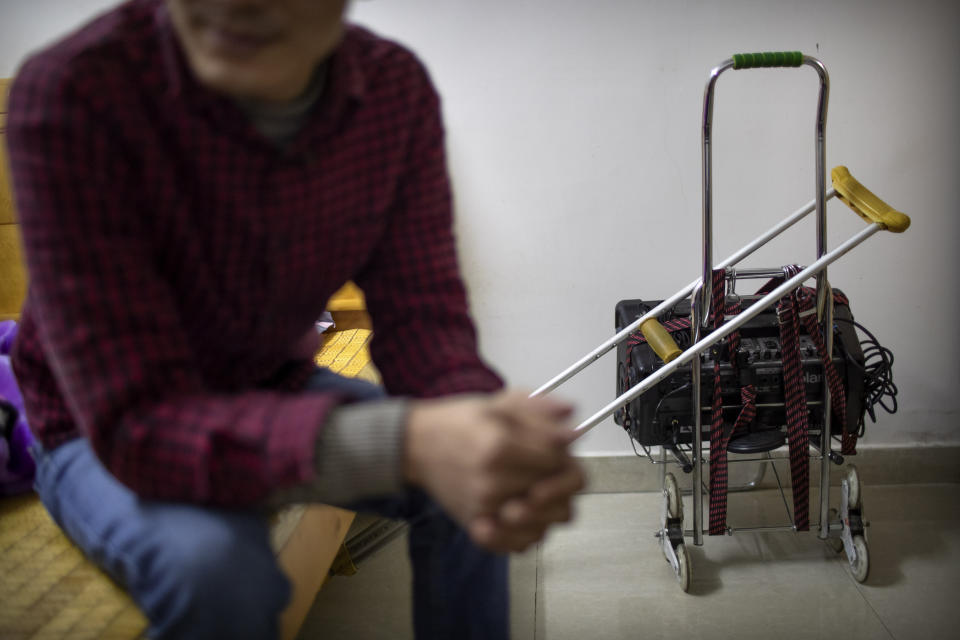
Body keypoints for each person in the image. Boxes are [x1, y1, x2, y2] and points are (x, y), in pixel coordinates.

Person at [5, 0, 585, 638]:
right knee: (219, 572)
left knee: (473, 487)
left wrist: (483, 438)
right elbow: (140, 420)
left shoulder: (394, 92)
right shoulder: (77, 93)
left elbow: (426, 322)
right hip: (96, 425)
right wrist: (411, 442)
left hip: (268, 379)